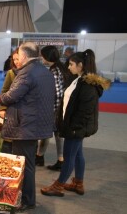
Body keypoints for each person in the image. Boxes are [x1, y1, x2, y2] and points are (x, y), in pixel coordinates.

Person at [41, 49, 111, 197]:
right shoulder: (78, 79)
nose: (69, 67)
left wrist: (72, 129)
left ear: (80, 65)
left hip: (75, 128)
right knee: (78, 155)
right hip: (73, 126)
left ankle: (58, 186)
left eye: (71, 64)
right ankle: (78, 183)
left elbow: (84, 112)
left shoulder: (87, 85)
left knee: (69, 157)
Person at [0, 42, 55, 212]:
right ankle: (28, 198)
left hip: (24, 126)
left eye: (19, 56)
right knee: (28, 164)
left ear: (24, 56)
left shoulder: (27, 73)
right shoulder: (45, 72)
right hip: (36, 124)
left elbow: (9, 97)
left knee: (23, 166)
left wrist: (2, 97)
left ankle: (25, 200)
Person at [35, 45, 70, 170]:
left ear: (47, 57)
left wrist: (48, 108)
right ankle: (56, 159)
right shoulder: (60, 68)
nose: (41, 57)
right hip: (60, 109)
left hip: (54, 109)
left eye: (42, 55)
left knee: (47, 133)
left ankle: (40, 157)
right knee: (58, 134)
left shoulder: (54, 71)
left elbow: (57, 93)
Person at [0, 48, 20, 154]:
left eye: (18, 59)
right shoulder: (11, 73)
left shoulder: (30, 73)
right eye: (14, 59)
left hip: (24, 113)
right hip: (11, 111)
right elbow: (4, 91)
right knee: (8, 139)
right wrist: (2, 108)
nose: (16, 62)